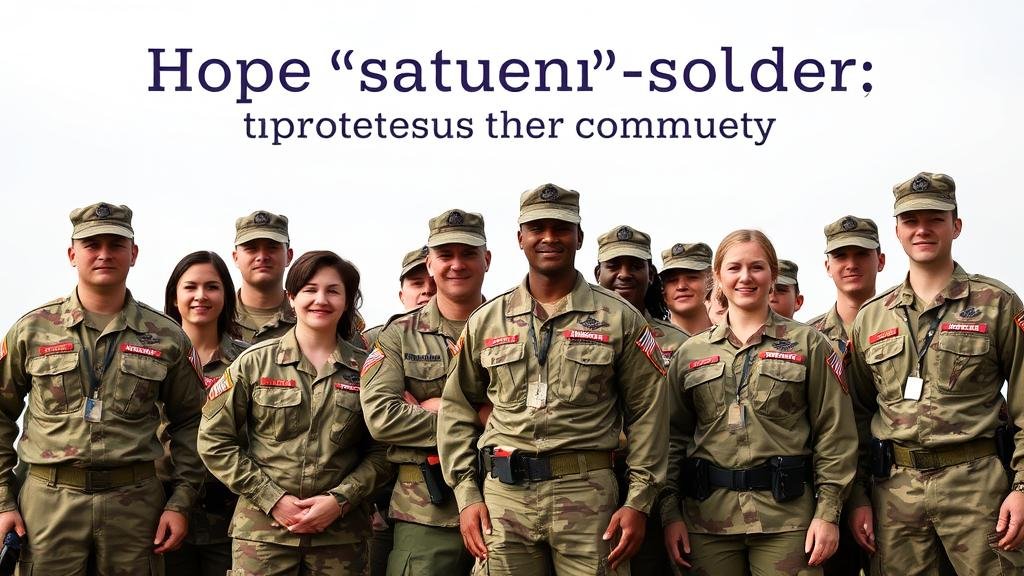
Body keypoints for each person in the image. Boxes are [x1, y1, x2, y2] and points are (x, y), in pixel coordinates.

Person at [438, 183, 668, 575]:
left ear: (578, 237)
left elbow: (649, 413)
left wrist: (638, 502)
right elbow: (457, 408)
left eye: (561, 228)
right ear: (520, 238)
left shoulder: (619, 318)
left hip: (588, 498)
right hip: (504, 500)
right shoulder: (487, 320)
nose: (549, 237)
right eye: (537, 228)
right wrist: (466, 494)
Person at [0, 202, 205, 575]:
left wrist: (180, 502)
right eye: (92, 244)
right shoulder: (32, 329)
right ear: (72, 253)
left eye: (116, 244)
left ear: (134, 254)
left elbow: (193, 422)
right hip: (48, 500)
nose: (104, 254)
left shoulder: (167, 337)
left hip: (135, 504)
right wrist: (2, 501)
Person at [846, 172, 1024, 573]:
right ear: (896, 231)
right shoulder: (872, 317)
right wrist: (858, 497)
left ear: (956, 226)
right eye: (911, 221)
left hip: (978, 490)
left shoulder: (997, 302)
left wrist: (1023, 488)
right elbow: (855, 415)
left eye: (935, 218)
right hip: (895, 495)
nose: (922, 229)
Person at [662, 229, 857, 575]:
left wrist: (828, 514)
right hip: (708, 523)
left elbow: (835, 435)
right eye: (734, 268)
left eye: (757, 267)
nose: (745, 277)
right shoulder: (690, 353)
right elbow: (671, 440)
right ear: (718, 277)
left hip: (787, 522)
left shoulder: (809, 345)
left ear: (772, 275)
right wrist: (670, 514)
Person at [199, 250, 392, 575]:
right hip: (262, 537)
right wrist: (272, 498)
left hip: (340, 539)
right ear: (291, 297)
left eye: (333, 290)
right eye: (310, 289)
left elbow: (384, 450)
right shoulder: (254, 362)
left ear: (347, 301)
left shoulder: (368, 369)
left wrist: (341, 500)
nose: (321, 299)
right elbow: (214, 441)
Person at [362, 209, 490, 576]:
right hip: (425, 510)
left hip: (506, 502)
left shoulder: (513, 325)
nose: (456, 265)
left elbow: (529, 415)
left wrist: (437, 409)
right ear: (430, 264)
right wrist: (478, 415)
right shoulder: (397, 335)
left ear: (487, 259)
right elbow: (383, 419)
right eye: (445, 255)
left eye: (467, 253)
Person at [161, 250, 250, 576]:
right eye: (190, 287)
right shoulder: (153, 356)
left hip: (230, 515)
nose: (201, 296)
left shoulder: (249, 361)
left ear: (226, 295)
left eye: (212, 287)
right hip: (161, 513)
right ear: (174, 297)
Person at [362, 244, 436, 576]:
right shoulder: (377, 340)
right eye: (416, 282)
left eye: (431, 280)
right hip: (383, 491)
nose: (426, 289)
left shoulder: (479, 330)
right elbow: (373, 418)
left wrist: (431, 409)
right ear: (401, 292)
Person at [594, 225, 687, 363]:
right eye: (613, 266)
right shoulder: (576, 332)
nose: (624, 275)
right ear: (598, 275)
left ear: (650, 274)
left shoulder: (679, 343)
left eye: (635, 266)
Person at [232, 210, 297, 344]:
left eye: (272, 248)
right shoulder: (217, 316)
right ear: (236, 257)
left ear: (289, 256)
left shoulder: (307, 318)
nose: (262, 257)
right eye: (251, 248)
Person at [362, 246, 436, 349]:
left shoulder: (464, 334)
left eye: (436, 283)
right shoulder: (374, 339)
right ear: (402, 296)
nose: (427, 290)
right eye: (417, 283)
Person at [660, 242, 714, 337]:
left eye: (692, 277)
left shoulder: (735, 337)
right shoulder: (651, 343)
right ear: (663, 290)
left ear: (712, 281)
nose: (681, 286)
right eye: (672, 280)